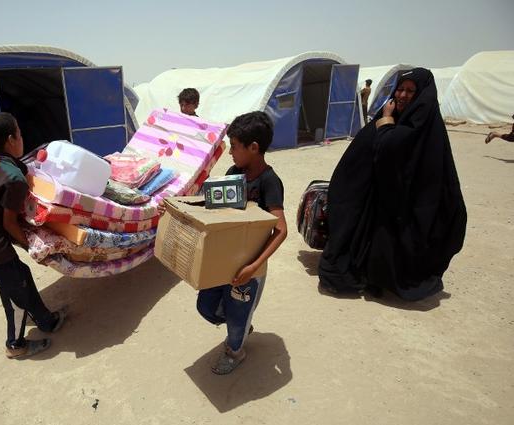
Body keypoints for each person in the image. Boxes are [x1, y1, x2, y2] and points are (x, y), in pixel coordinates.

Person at [319, 68, 467, 301]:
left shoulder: (420, 123)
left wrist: (386, 123)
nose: (402, 95)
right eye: (400, 88)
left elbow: (388, 149)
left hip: (410, 200)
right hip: (387, 197)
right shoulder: (395, 115)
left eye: (410, 91)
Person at [160, 111, 288, 374]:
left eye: (235, 146)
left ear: (254, 148)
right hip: (222, 264)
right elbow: (209, 207)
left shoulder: (269, 182)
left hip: (249, 271)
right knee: (206, 307)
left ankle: (236, 349)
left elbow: (281, 230)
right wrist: (175, 212)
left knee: (238, 316)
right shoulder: (233, 172)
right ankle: (240, 323)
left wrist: (253, 267)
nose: (230, 151)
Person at [0, 112, 66, 359]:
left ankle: (46, 321)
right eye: (19, 133)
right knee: (15, 295)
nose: (22, 138)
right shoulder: (13, 179)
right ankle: (15, 344)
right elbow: (9, 223)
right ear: (11, 139)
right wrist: (30, 245)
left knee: (19, 279)